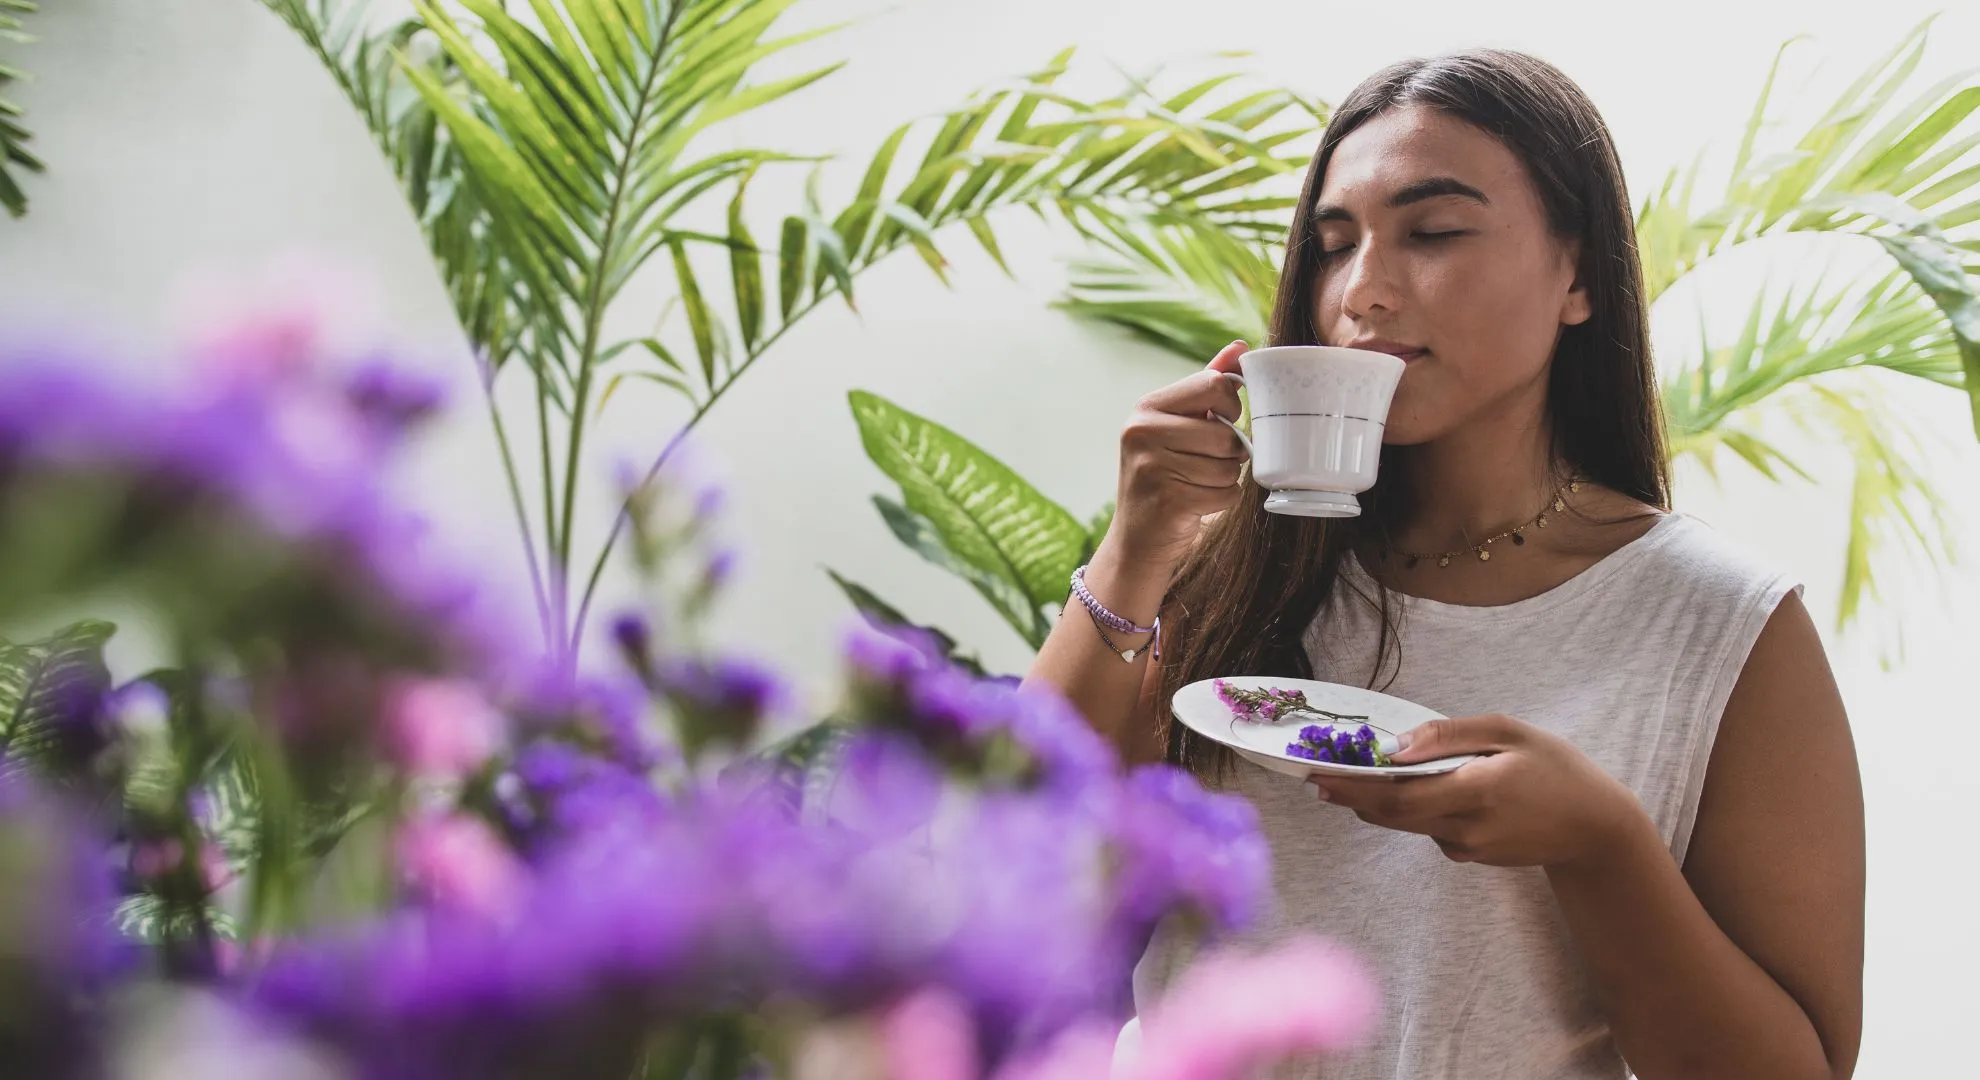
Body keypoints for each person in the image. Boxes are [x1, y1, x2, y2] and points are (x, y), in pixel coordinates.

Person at [1025, 49, 1864, 1080]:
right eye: (1333, 247)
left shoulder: (1719, 625)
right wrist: (1131, 552)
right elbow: (1010, 863)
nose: (1362, 291)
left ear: (1581, 280)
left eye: (1433, 232)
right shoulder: (1220, 574)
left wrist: (1601, 847)